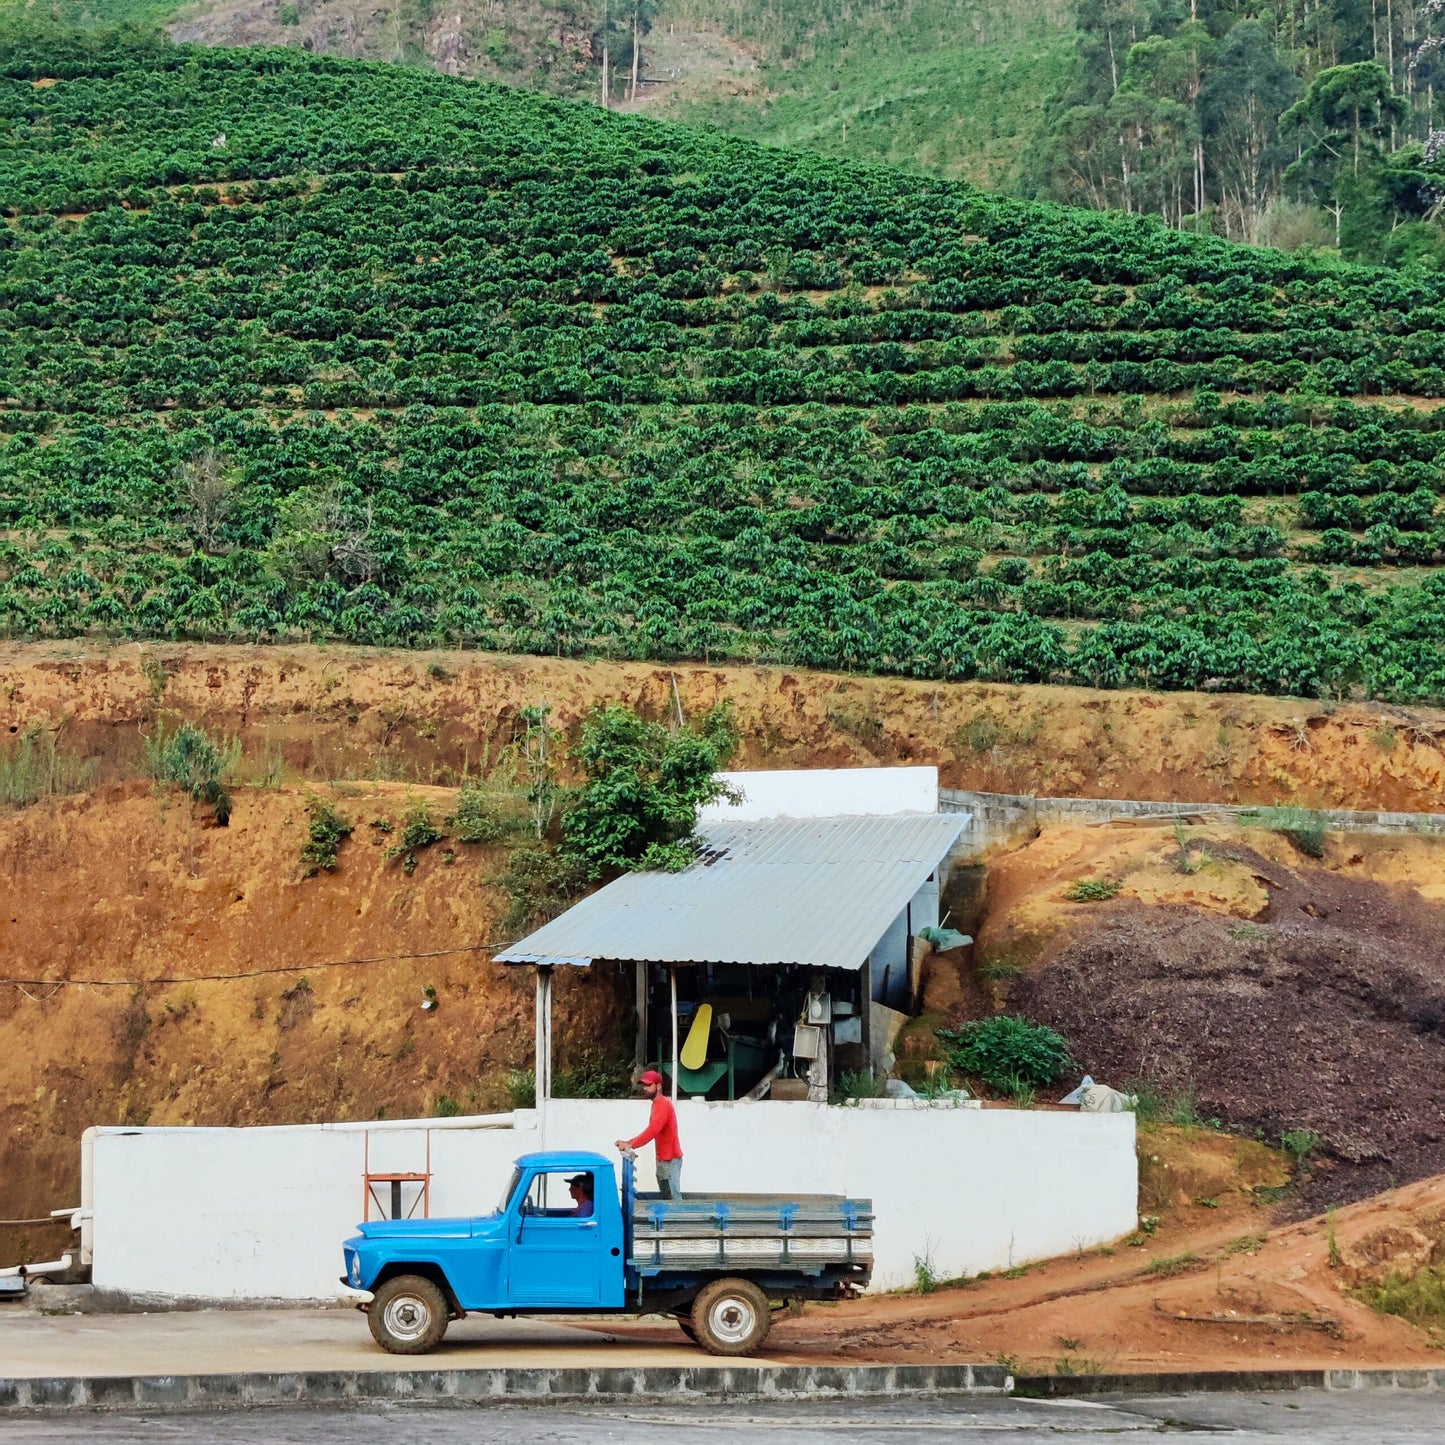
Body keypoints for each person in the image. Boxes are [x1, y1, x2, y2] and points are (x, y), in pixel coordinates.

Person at [615, 1069, 683, 1199]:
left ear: (658, 1086)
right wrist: (629, 1143)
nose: (645, 1088)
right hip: (663, 1159)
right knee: (667, 1199)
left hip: (670, 1159)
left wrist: (630, 1144)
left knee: (674, 1201)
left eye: (649, 1085)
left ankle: (679, 1220)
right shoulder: (657, 1104)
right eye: (644, 1085)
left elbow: (652, 1131)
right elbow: (651, 1130)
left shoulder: (663, 1104)